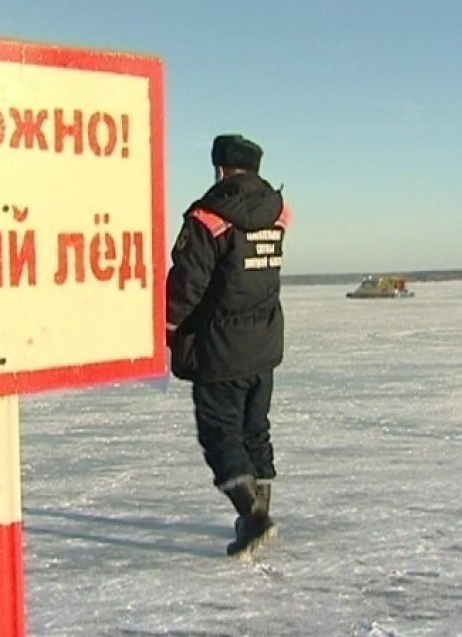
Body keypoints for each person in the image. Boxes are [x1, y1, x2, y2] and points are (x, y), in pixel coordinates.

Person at [166, 134, 289, 557]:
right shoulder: (278, 213)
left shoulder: (208, 218)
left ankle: (253, 517)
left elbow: (186, 284)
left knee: (221, 436)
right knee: (255, 432)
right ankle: (256, 513)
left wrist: (168, 326)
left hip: (220, 349)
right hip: (264, 345)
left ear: (220, 168)